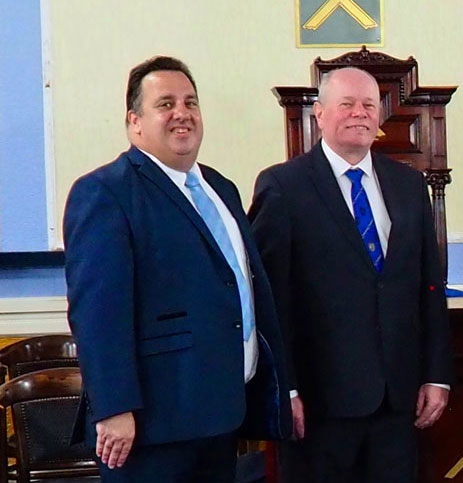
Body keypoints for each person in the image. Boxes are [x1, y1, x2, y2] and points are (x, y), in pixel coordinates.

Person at [64, 55, 292, 482]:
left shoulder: (221, 188)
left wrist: (282, 387)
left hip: (222, 416)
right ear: (134, 121)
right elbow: (98, 314)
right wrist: (113, 408)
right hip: (152, 425)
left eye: (190, 102)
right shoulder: (105, 192)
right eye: (165, 103)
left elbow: (247, 289)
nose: (181, 113)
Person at [248, 67, 452, 483]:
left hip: (397, 405)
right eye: (347, 104)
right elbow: (270, 300)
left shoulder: (408, 185)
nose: (359, 113)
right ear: (320, 114)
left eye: (369, 105)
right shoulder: (283, 187)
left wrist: (437, 375)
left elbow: (428, 288)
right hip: (319, 406)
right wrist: (284, 390)